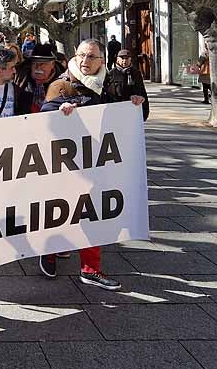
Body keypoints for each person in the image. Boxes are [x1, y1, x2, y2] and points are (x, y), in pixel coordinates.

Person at [39, 39, 146, 291]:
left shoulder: (111, 83)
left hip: (99, 163)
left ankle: (90, 269)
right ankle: (51, 250)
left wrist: (135, 104)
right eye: (81, 55)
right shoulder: (61, 85)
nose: (85, 61)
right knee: (62, 211)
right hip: (65, 164)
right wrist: (58, 111)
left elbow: (134, 116)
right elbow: (41, 122)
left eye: (91, 57)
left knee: (92, 213)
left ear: (101, 60)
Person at [14, 43, 64, 115]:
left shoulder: (62, 81)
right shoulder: (20, 77)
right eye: (34, 63)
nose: (38, 67)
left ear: (52, 64)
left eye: (42, 64)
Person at [109, 49, 151, 120]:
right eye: (122, 58)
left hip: (134, 109)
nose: (124, 61)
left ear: (130, 59)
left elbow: (142, 92)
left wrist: (145, 111)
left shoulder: (136, 73)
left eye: (127, 58)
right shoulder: (111, 74)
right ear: (117, 59)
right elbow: (109, 95)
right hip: (118, 110)